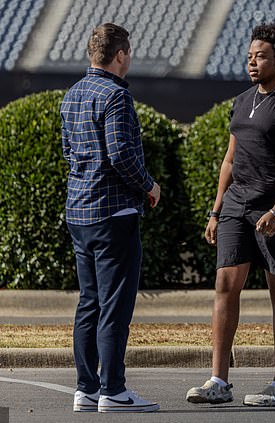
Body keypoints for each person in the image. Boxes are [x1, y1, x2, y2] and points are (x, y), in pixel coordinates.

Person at [186, 23, 275, 407]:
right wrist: (215, 209)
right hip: (236, 207)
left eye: (260, 56)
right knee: (225, 285)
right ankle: (218, 381)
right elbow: (230, 159)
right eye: (249, 57)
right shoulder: (243, 101)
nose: (252, 63)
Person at [61, 23, 161, 413]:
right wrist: (149, 186)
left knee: (89, 303)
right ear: (119, 55)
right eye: (129, 52)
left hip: (79, 212)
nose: (130, 58)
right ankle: (113, 389)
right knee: (115, 305)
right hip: (113, 213)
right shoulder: (116, 96)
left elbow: (70, 153)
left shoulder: (71, 96)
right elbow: (120, 155)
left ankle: (85, 388)